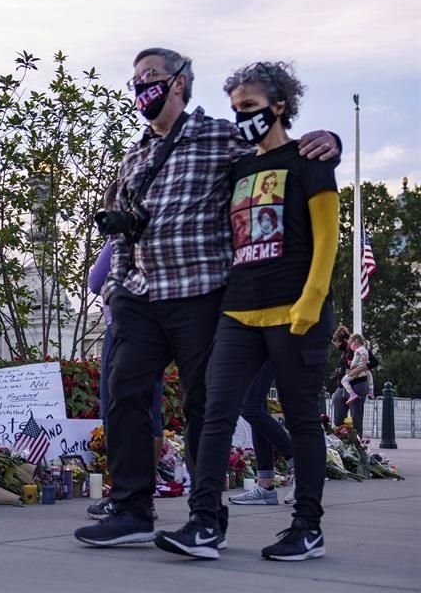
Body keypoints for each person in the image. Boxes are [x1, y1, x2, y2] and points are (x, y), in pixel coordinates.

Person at [73, 49, 339, 548]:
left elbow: (282, 153)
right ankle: (132, 510)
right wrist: (115, 288)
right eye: (134, 79)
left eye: (150, 76)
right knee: (126, 395)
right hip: (142, 296)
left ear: (180, 82)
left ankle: (212, 516)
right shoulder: (134, 156)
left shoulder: (221, 135)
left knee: (205, 408)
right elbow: (120, 232)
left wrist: (331, 139)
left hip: (202, 294)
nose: (141, 86)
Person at [155, 61, 339, 561]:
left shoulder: (309, 160)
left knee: (302, 420)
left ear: (279, 106)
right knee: (214, 414)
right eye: (236, 110)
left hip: (296, 309)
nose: (243, 118)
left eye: (252, 108)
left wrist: (312, 299)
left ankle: (307, 528)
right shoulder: (238, 166)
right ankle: (205, 523)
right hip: (239, 310)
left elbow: (328, 237)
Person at [87, 182, 166, 521]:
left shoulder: (122, 238)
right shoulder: (155, 232)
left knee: (118, 409)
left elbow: (96, 281)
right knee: (150, 412)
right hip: (155, 327)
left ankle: (127, 494)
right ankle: (143, 495)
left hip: (123, 329)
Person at [228, 362, 296, 506]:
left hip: (267, 345)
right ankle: (265, 486)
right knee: (257, 408)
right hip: (251, 348)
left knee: (251, 408)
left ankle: (301, 469)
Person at [330, 326, 377, 436]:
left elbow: (374, 362)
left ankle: (357, 444)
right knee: (337, 418)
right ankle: (341, 440)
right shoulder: (343, 353)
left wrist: (361, 368)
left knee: (356, 418)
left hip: (357, 385)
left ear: (345, 341)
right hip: (342, 387)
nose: (337, 346)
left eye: (338, 343)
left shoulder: (359, 349)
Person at [340, 333, 374, 404]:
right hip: (365, 369)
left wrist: (351, 365)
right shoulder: (365, 349)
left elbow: (354, 364)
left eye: (351, 343)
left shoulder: (357, 351)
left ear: (356, 341)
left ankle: (352, 394)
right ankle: (371, 391)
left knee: (344, 380)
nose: (351, 345)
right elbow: (365, 360)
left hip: (357, 371)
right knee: (370, 378)